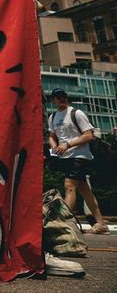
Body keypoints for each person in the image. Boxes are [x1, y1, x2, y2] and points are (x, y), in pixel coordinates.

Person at [47, 88, 110, 235]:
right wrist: (55, 147)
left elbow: (89, 136)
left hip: (79, 155)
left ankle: (63, 225)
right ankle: (100, 224)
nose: (61, 99)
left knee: (69, 186)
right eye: (58, 97)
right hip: (65, 157)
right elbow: (51, 135)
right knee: (84, 189)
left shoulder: (76, 113)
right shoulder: (53, 117)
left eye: (63, 96)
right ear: (53, 100)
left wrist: (67, 145)